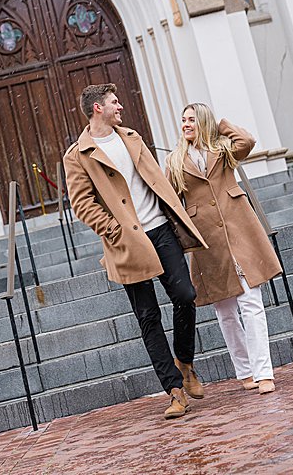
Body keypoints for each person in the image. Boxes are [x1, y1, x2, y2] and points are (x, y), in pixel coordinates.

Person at [65, 83, 209, 419]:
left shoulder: (131, 137)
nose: (120, 107)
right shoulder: (77, 155)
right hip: (127, 242)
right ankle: (175, 390)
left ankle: (185, 361)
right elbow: (82, 204)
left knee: (185, 295)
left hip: (159, 229)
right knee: (148, 317)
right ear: (97, 108)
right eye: (114, 102)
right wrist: (114, 230)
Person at [164, 103, 282, 394]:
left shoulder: (223, 150)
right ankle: (244, 371)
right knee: (225, 309)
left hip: (238, 231)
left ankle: (263, 371)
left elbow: (248, 141)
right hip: (207, 243)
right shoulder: (174, 161)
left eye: (192, 119)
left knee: (251, 301)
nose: (186, 125)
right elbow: (168, 201)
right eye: (183, 120)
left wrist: (218, 125)